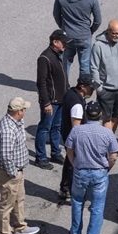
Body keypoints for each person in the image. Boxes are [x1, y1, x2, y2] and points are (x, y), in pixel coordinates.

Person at [64, 100, 118, 234]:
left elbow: (69, 150)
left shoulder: (76, 131)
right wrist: (107, 167)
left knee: (77, 201)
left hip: (80, 170)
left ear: (86, 115)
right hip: (99, 172)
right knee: (97, 206)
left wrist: (74, 164)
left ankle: (75, 233)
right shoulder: (107, 132)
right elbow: (113, 156)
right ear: (100, 114)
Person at [0, 97, 41, 234]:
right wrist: (14, 173)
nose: (26, 111)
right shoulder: (7, 129)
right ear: (19, 111)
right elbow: (6, 156)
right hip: (9, 173)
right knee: (7, 204)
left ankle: (20, 227)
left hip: (17, 171)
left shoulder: (16, 122)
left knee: (19, 199)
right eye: (24, 109)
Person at [54, 0, 102, 82]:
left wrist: (63, 28)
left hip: (67, 36)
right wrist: (90, 30)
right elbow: (98, 20)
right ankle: (82, 91)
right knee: (85, 65)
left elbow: (56, 14)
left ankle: (63, 87)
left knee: (66, 63)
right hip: (84, 36)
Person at [90, 19, 118, 135]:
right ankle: (107, 145)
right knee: (106, 119)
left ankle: (111, 141)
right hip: (106, 90)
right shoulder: (98, 46)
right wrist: (99, 89)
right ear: (108, 31)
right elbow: (94, 68)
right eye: (114, 33)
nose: (117, 36)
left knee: (116, 116)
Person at [35, 30, 68, 170]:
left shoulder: (59, 55)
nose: (66, 45)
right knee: (44, 128)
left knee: (56, 127)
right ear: (55, 42)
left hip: (61, 100)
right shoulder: (45, 58)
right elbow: (41, 82)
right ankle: (40, 157)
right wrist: (46, 102)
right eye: (64, 42)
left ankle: (55, 153)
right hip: (50, 102)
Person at [59, 74, 94, 203]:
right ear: (83, 87)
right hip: (73, 138)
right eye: (91, 88)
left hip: (66, 134)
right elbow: (76, 129)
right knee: (74, 165)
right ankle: (71, 190)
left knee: (69, 162)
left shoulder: (70, 93)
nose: (93, 91)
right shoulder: (77, 105)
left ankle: (64, 187)